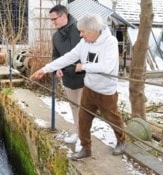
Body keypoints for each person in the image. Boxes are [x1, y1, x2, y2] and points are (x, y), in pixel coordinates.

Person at [30, 14, 126, 160]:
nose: (80, 35)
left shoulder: (110, 42)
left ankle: (121, 140)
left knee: (112, 117)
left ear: (92, 30)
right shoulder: (85, 43)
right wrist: (45, 69)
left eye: (83, 32)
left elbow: (107, 67)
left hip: (106, 91)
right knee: (83, 119)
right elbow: (68, 57)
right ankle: (86, 148)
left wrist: (83, 67)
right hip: (89, 88)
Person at [49, 5, 84, 144]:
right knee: (74, 106)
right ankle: (77, 132)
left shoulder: (79, 29)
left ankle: (83, 139)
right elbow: (55, 55)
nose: (53, 22)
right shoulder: (56, 36)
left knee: (83, 109)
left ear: (64, 15)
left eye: (54, 19)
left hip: (83, 76)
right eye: (51, 20)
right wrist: (56, 67)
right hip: (67, 77)